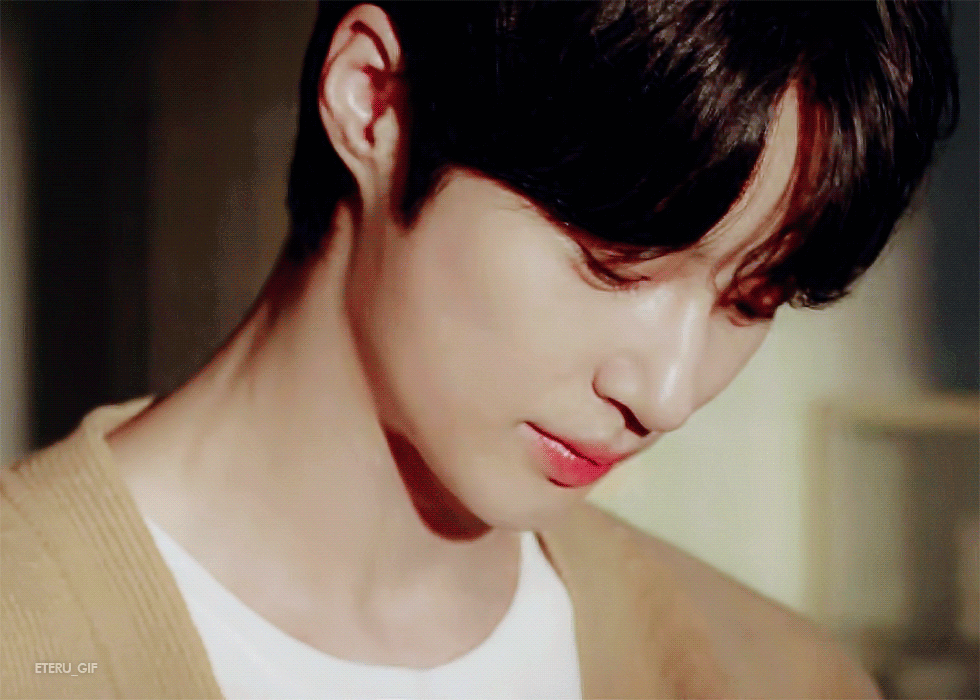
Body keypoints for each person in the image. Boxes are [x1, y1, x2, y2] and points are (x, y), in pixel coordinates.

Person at [2, 2, 959, 698]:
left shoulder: (777, 678)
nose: (667, 393)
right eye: (614, 262)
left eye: (752, 301)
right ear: (372, 100)